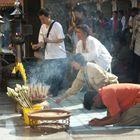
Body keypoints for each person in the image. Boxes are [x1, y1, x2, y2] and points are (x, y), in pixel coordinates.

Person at [32, 8, 67, 96]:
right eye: (40, 19)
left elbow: (61, 39)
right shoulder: (42, 27)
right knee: (50, 74)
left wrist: (50, 41)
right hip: (48, 55)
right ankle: (52, 92)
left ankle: (54, 93)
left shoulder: (57, 25)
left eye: (43, 19)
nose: (42, 21)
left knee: (56, 75)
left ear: (49, 17)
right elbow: (42, 41)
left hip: (59, 55)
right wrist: (37, 45)